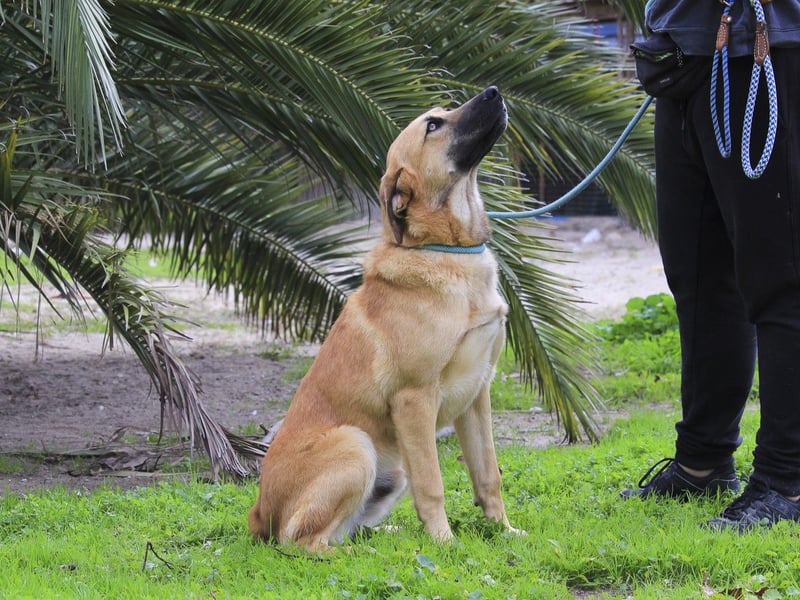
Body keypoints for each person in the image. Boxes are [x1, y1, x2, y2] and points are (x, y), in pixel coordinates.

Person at [621, 0, 800, 532]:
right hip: (683, 54)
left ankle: (786, 480)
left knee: (780, 278)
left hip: (763, 49)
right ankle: (703, 461)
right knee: (698, 275)